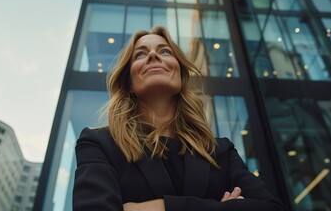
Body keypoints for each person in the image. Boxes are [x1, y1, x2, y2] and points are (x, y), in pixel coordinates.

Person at [72, 26, 288, 211]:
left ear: (181, 74)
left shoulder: (220, 151)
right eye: (140, 54)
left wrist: (162, 207)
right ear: (128, 81)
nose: (153, 56)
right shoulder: (98, 143)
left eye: (164, 51)